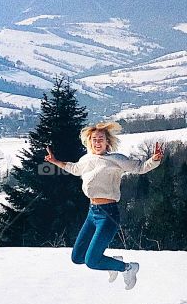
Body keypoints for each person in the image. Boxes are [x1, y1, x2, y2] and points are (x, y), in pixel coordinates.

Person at [45, 120, 164, 290]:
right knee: (78, 257)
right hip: (92, 213)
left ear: (107, 142)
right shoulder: (86, 159)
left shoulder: (115, 159)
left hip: (108, 215)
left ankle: (128, 268)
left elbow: (140, 167)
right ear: (89, 141)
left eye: (101, 139)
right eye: (94, 139)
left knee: (92, 261)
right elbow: (74, 168)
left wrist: (154, 159)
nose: (97, 142)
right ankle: (113, 262)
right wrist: (55, 161)